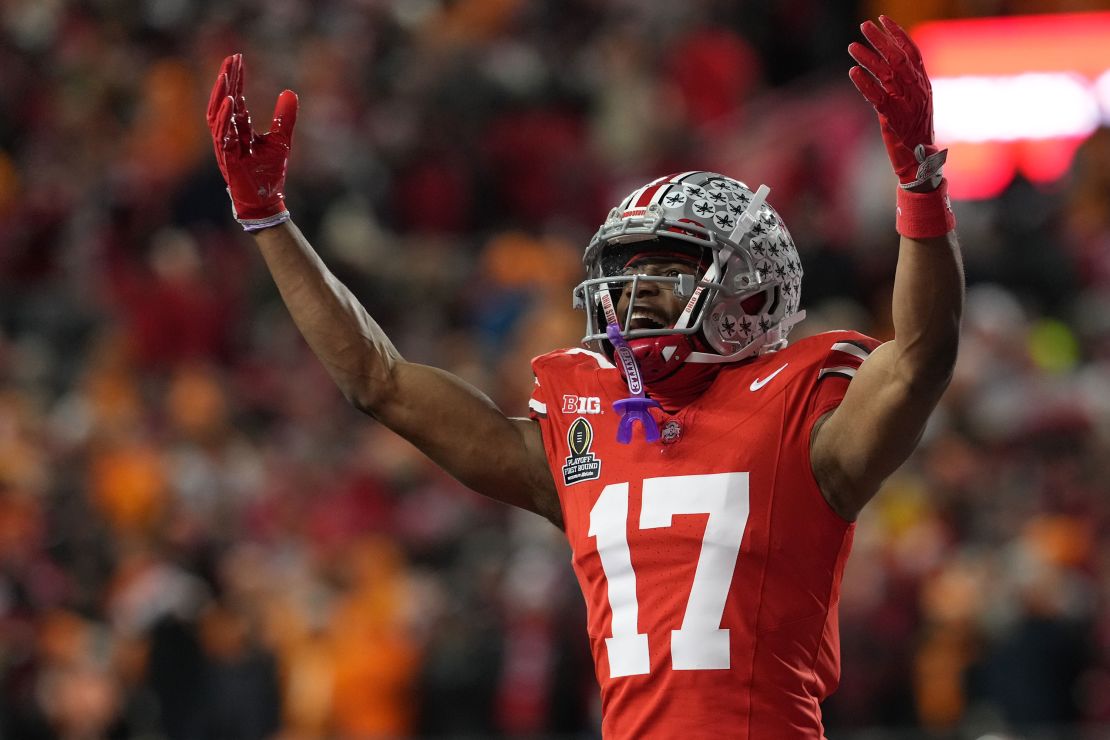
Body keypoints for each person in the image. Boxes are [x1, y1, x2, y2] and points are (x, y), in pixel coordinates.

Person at [205, 15, 963, 739]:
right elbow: (380, 382)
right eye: (624, 275)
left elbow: (921, 356)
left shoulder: (804, 408)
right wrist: (267, 220)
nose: (633, 298)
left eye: (664, 271)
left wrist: (919, 186)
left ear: (753, 294)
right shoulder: (582, 426)